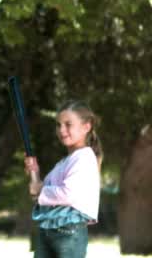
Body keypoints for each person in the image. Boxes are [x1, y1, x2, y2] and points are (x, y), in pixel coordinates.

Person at [24, 100, 102, 258]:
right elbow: (41, 197)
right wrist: (35, 174)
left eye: (68, 124)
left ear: (86, 127)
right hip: (48, 229)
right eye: (58, 125)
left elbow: (68, 194)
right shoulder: (64, 162)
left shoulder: (84, 157)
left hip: (68, 232)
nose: (61, 130)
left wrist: (39, 189)